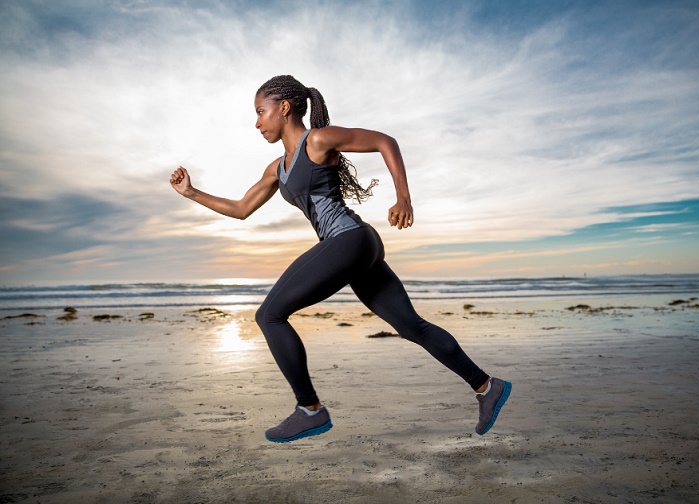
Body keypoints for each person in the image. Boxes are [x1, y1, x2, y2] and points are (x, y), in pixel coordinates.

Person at [170, 75, 512, 443]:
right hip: (356, 246)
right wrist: (191, 193)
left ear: (283, 108)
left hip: (349, 240)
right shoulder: (277, 168)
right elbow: (241, 209)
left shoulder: (317, 141)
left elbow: (385, 141)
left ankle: (310, 410)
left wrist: (403, 198)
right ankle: (485, 386)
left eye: (260, 112)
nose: (257, 122)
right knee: (412, 326)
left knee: (268, 315)